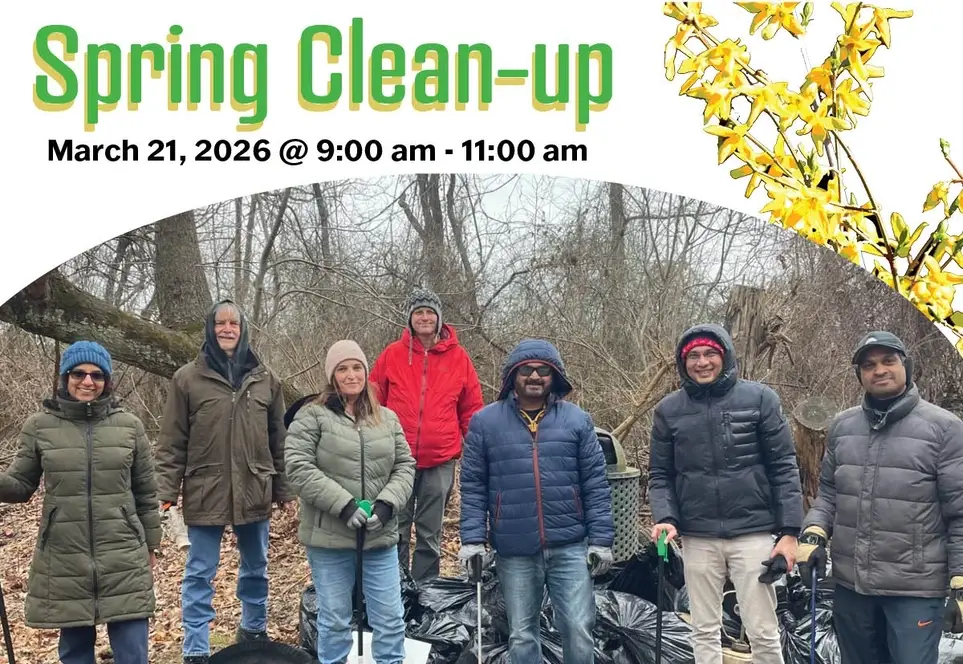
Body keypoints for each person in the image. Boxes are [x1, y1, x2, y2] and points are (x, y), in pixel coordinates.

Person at [796, 331, 963, 664]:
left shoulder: (945, 428)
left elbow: (959, 511)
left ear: (906, 366)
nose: (880, 370)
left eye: (889, 361)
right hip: (850, 584)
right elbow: (829, 491)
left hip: (914, 589)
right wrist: (814, 532)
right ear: (860, 374)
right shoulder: (843, 426)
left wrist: (960, 576)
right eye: (869, 365)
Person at [648, 323, 804, 664]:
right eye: (694, 356)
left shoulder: (760, 399)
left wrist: (790, 532)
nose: (702, 362)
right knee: (703, 629)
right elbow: (660, 475)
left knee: (762, 629)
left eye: (710, 354)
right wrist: (665, 517)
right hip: (697, 534)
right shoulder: (668, 410)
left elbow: (784, 467)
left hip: (753, 532)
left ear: (725, 357)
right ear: (682, 362)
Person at [0, 341, 161, 664]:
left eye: (96, 375)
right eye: (79, 373)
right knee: (75, 654)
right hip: (64, 557)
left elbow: (146, 491)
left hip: (123, 553)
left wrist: (151, 544)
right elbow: (19, 485)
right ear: (65, 377)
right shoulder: (39, 426)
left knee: (133, 653)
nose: (87, 382)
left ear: (107, 381)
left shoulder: (129, 427)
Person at [154, 299, 295, 664]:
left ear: (243, 328)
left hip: (255, 487)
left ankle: (253, 629)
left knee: (256, 567)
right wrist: (166, 491)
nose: (227, 329)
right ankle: (197, 647)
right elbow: (172, 440)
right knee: (200, 572)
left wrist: (284, 490)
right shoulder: (187, 378)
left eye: (234, 323)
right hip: (206, 488)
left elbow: (278, 439)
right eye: (220, 323)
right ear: (210, 329)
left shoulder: (267, 379)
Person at [458, 338, 614, 664]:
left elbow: (595, 484)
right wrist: (472, 540)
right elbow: (473, 486)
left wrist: (601, 540)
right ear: (512, 375)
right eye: (525, 370)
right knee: (521, 633)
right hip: (514, 548)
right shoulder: (485, 423)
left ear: (554, 375)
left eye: (543, 370)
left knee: (578, 627)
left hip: (570, 544)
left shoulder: (577, 421)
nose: (534, 376)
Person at [284, 340, 416, 664]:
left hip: (379, 537)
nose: (351, 374)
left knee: (389, 618)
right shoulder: (311, 416)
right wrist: (343, 505)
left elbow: (405, 465)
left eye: (357, 367)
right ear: (332, 375)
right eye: (342, 368)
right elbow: (298, 468)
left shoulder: (387, 418)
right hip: (330, 539)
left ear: (366, 372)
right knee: (334, 620)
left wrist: (386, 505)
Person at [369, 286, 484, 582]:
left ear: (439, 318)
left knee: (430, 532)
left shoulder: (459, 358)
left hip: (441, 459)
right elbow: (372, 402)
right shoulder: (392, 355)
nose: (424, 317)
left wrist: (478, 448)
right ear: (409, 318)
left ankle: (426, 590)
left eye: (429, 312)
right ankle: (395, 588)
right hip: (397, 460)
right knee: (396, 527)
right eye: (418, 312)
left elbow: (471, 408)